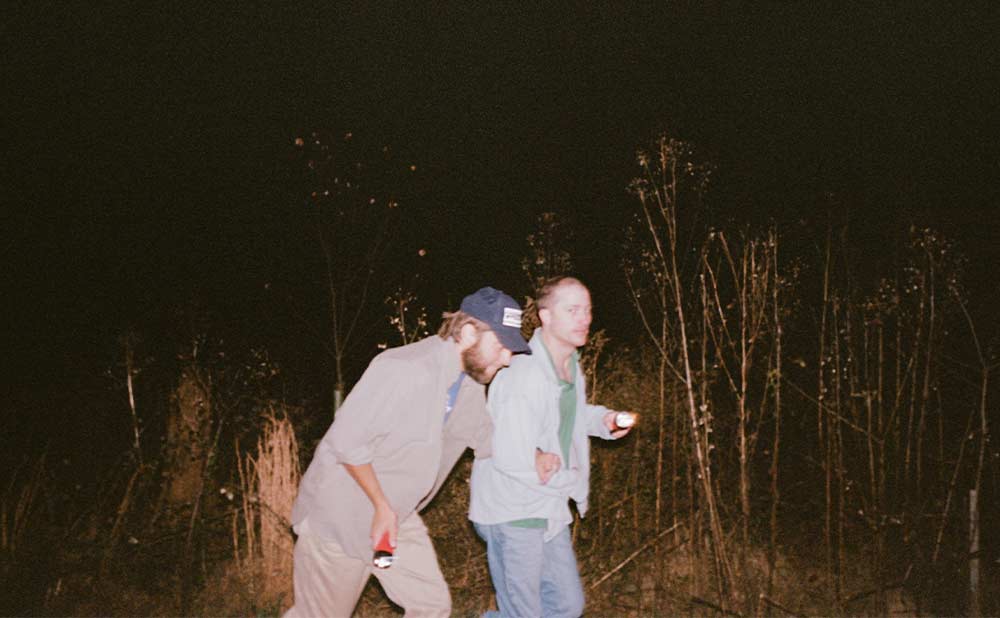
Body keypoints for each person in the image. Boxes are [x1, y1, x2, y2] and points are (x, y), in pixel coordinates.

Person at [285, 287, 532, 618]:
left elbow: (485, 437)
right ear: (470, 332)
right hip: (341, 518)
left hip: (394, 518)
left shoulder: (468, 383)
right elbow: (346, 441)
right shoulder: (404, 369)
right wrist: (380, 505)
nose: (507, 358)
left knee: (430, 606)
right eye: (501, 345)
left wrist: (538, 458)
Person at [469, 276, 633, 618]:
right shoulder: (525, 374)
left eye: (587, 310)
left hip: (546, 505)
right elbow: (507, 451)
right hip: (513, 507)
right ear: (545, 317)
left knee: (565, 605)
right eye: (572, 310)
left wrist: (603, 420)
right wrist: (566, 480)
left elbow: (565, 415)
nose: (584, 318)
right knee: (523, 613)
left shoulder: (569, 366)